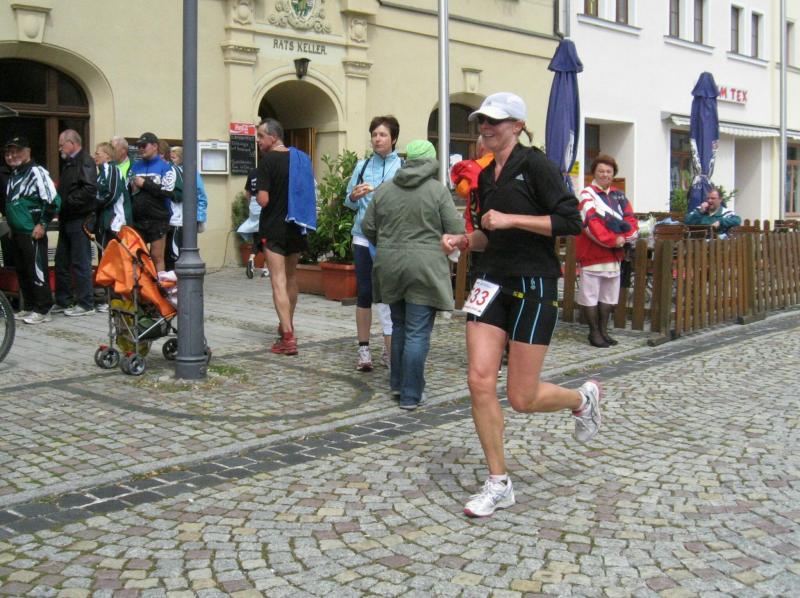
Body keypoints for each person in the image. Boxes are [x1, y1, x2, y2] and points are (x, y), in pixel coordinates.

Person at [441, 92, 601, 518]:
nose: (485, 128)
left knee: (522, 397)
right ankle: (499, 482)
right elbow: (488, 234)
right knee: (479, 380)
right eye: (481, 121)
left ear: (517, 126)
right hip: (490, 281)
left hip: (533, 282)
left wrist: (512, 219)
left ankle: (581, 400)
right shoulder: (483, 176)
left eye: (494, 121)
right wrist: (463, 240)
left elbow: (571, 221)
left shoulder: (536, 166)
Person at [363, 139, 464, 409]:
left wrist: (388, 244)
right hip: (425, 267)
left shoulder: (384, 190)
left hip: (389, 265)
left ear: (407, 160)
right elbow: (455, 229)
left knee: (398, 326)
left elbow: (367, 226)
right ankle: (411, 394)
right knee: (417, 331)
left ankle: (397, 384)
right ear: (431, 162)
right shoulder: (437, 191)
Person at [344, 116, 402, 372]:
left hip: (389, 239)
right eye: (374, 135)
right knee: (365, 293)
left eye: (382, 135)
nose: (377, 139)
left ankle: (390, 350)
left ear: (394, 139)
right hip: (362, 236)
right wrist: (354, 195)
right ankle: (364, 348)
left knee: (389, 294)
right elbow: (348, 201)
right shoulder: (363, 165)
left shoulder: (401, 166)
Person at [255, 117, 316, 355]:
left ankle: (288, 337)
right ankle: (285, 325)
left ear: (273, 137)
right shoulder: (301, 158)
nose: (258, 141)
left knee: (278, 281)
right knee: (291, 279)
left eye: (261, 136)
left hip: (274, 227)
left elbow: (263, 200)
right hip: (296, 225)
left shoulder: (267, 161)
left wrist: (256, 193)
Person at [576, 154, 639, 348]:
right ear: (594, 173)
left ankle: (604, 330)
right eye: (601, 171)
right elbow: (591, 223)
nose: (605, 175)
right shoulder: (586, 195)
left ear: (613, 174)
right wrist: (614, 240)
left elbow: (630, 219)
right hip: (593, 253)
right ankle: (593, 332)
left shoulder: (619, 196)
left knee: (608, 295)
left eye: (608, 171)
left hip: (614, 255)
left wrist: (627, 237)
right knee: (590, 295)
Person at [2, 136, 59, 324]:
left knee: (36, 269)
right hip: (17, 231)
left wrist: (42, 224)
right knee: (23, 270)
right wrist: (12, 225)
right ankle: (29, 306)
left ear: (27, 151)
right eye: (8, 153)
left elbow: (52, 200)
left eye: (16, 151)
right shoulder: (15, 174)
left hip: (32, 230)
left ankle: (43, 309)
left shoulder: (36, 171)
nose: (12, 156)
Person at [53, 129, 98, 317]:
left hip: (80, 218)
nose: (59, 149)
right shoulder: (70, 163)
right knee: (61, 261)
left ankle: (86, 304)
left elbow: (89, 189)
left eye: (61, 145)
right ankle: (63, 300)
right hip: (67, 218)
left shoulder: (85, 161)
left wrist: (67, 202)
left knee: (80, 261)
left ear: (72, 143)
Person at [129, 132, 175, 272]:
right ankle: (137, 285)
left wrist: (145, 184)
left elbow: (167, 192)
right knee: (135, 256)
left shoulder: (166, 167)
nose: (140, 149)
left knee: (157, 256)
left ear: (155, 146)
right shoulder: (135, 166)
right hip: (138, 219)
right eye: (138, 146)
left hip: (158, 219)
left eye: (143, 146)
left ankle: (160, 284)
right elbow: (128, 191)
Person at [165, 146, 208, 270]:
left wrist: (200, 217)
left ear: (181, 158)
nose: (172, 161)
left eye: (174, 158)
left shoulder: (191, 172)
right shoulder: (170, 171)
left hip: (185, 219)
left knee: (181, 250)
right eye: (170, 158)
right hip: (173, 218)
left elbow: (201, 193)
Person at [450, 135, 493, 234]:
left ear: (481, 148)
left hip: (477, 225)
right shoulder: (506, 165)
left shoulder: (474, 168)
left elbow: (463, 191)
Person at [94, 141, 131, 249]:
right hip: (103, 222)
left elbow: (112, 194)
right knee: (104, 254)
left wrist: (95, 205)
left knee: (113, 255)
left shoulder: (112, 169)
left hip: (115, 222)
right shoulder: (101, 173)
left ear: (108, 156)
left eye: (97, 153)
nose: (95, 156)